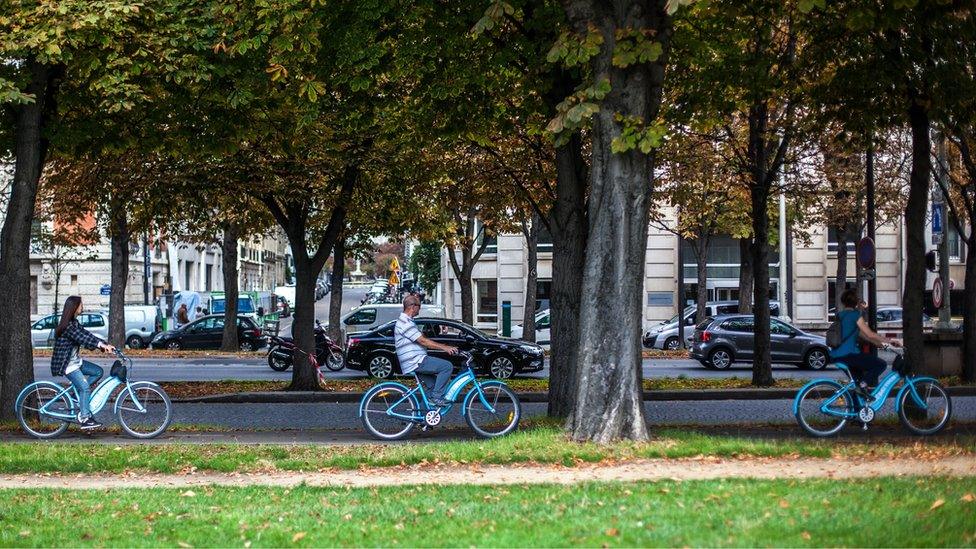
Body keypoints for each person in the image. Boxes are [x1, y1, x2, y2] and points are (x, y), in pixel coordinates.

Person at [50, 296, 116, 429]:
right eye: (81, 305)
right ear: (74, 307)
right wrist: (100, 346)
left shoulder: (73, 323)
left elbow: (87, 334)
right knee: (85, 388)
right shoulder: (68, 327)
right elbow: (83, 338)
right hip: (68, 365)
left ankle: (77, 395)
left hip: (76, 362)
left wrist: (104, 344)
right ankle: (85, 418)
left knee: (98, 372)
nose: (82, 307)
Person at [831, 289, 902, 399]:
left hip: (837, 355)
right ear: (856, 303)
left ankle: (855, 413)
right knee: (880, 364)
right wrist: (890, 341)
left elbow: (862, 336)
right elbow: (869, 334)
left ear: (843, 302)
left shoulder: (840, 315)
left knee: (857, 383)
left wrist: (881, 345)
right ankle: (863, 385)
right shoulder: (855, 315)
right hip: (849, 355)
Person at [395, 294, 458, 406]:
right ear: (413, 306)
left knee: (433, 386)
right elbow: (423, 341)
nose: (420, 309)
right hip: (416, 361)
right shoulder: (405, 323)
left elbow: (420, 338)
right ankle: (437, 398)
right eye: (419, 306)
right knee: (447, 366)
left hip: (414, 361)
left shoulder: (407, 321)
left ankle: (421, 419)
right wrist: (445, 348)